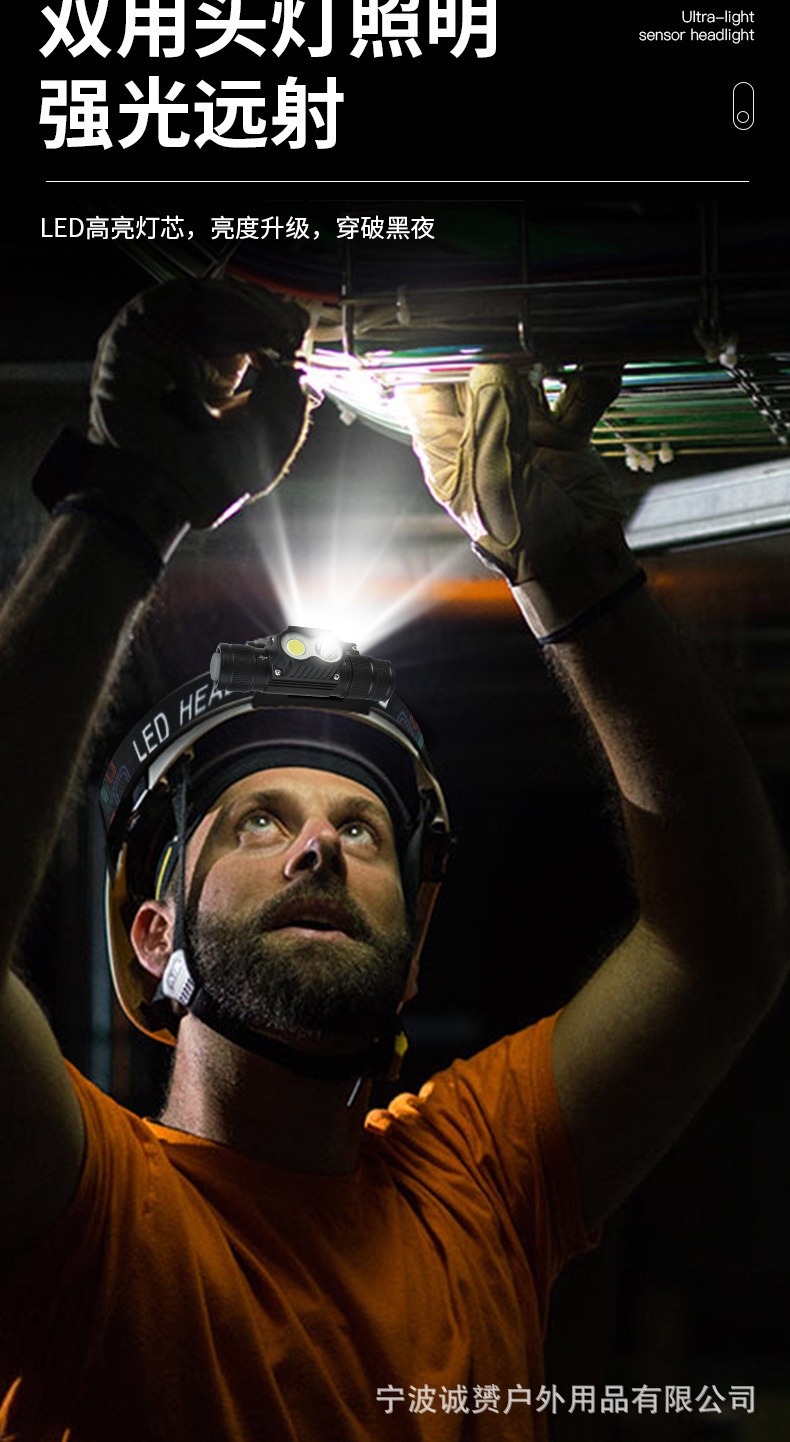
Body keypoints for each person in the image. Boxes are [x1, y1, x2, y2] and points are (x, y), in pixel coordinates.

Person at [0, 285, 787, 1442]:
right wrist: (126, 506)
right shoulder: (90, 1211)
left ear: (413, 952)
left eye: (362, 829)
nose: (319, 842)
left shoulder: (472, 1181)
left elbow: (721, 946)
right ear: (152, 937)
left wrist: (572, 575)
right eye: (258, 821)